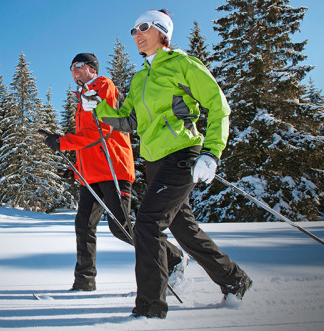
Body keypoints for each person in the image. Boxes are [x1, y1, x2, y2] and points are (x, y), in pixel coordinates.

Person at [84, 10, 252, 318]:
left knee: (148, 225)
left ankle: (150, 309)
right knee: (184, 229)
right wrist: (98, 107)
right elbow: (127, 120)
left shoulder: (181, 64)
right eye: (133, 29)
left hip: (182, 154)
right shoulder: (139, 78)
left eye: (143, 27)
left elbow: (218, 105)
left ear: (162, 32)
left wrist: (211, 153)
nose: (136, 33)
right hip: (154, 162)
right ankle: (234, 279)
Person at [42, 53, 186, 292]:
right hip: (90, 175)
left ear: (92, 68)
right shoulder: (82, 98)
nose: (74, 70)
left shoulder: (103, 86)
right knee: (84, 225)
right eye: (71, 67)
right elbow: (89, 141)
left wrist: (62, 142)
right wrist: (75, 170)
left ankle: (173, 257)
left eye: (79, 65)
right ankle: (84, 282)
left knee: (121, 227)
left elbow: (105, 130)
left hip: (113, 169)